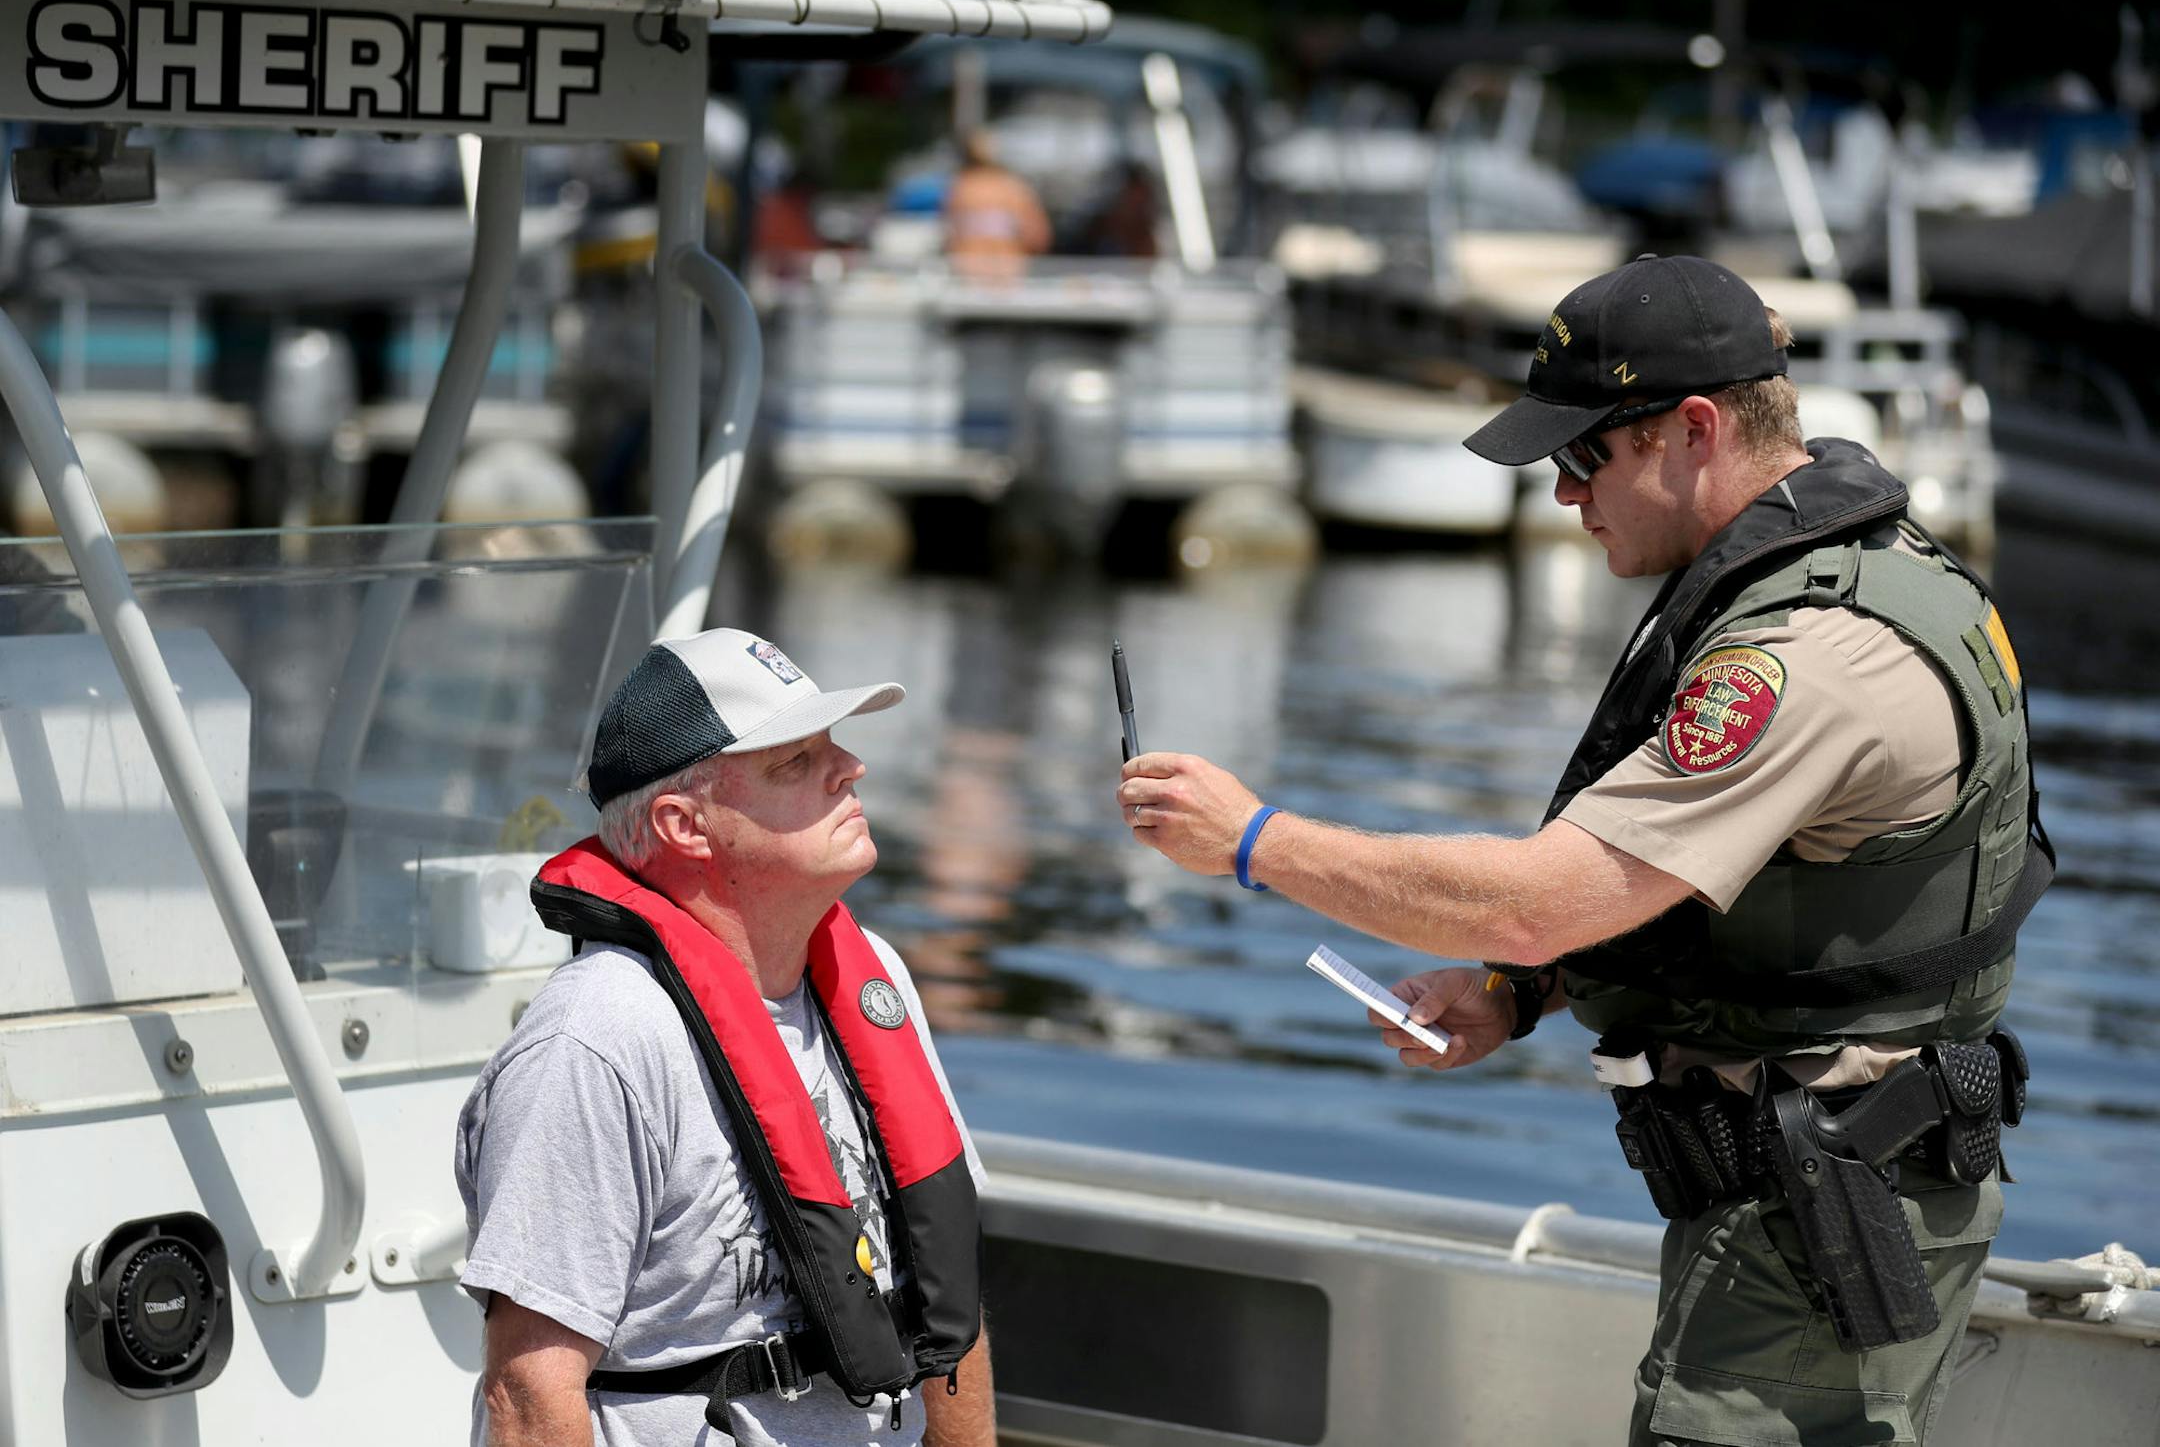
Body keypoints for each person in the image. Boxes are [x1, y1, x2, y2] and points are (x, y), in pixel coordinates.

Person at [1116, 254, 2049, 1447]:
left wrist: (1254, 840)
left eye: (1582, 456)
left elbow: (1537, 901)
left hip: (1814, 1235)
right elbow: (1738, 891)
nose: (1564, 496)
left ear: (1694, 430)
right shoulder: (1861, 576)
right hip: (1826, 1202)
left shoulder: (1810, 652)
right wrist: (1517, 992)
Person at [457, 628, 995, 1447]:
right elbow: (528, 1395)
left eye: (833, 746)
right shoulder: (597, 1039)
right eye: (795, 761)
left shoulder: (871, 975)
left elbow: (946, 1296)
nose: (850, 768)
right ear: (685, 824)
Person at [943, 129, 1051, 277]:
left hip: (970, 267)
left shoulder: (960, 188)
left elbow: (951, 235)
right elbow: (1038, 236)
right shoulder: (1013, 188)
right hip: (1007, 268)